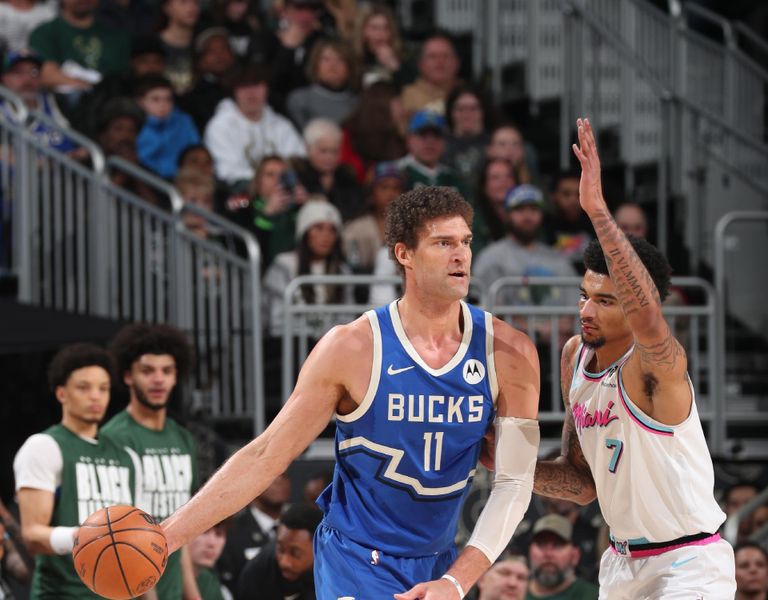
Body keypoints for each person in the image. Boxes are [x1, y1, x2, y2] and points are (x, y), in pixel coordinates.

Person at [158, 185, 542, 599]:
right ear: (404, 254)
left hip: (439, 561)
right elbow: (267, 455)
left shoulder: (510, 351)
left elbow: (514, 483)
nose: (461, 255)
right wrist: (166, 537)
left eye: (465, 242)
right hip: (354, 559)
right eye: (443, 243)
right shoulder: (352, 347)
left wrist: (457, 578)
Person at [532, 118, 735, 598]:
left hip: (689, 563)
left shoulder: (657, 367)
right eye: (585, 296)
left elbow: (647, 318)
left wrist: (598, 212)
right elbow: (581, 483)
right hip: (621, 565)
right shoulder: (573, 357)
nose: (586, 310)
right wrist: (495, 457)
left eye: (605, 301)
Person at [12, 344, 135, 599]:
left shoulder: (126, 455)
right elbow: (32, 535)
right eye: (84, 387)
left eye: (103, 388)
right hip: (62, 593)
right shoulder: (44, 446)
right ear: (61, 393)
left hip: (117, 591)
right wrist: (90, 536)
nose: (95, 396)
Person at [102, 322, 200, 600]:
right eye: (147, 371)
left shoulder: (183, 439)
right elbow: (118, 536)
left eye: (166, 371)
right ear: (128, 376)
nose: (158, 380)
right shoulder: (114, 438)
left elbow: (181, 530)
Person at [261, 198, 353, 339]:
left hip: (332, 348)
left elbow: (347, 319)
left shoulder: (342, 271)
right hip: (290, 347)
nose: (326, 236)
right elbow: (277, 322)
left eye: (332, 230)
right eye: (318, 228)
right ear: (304, 232)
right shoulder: (284, 265)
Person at [204, 64, 306, 187]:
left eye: (257, 85)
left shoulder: (281, 125)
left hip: (284, 189)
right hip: (241, 193)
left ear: (267, 89)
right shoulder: (220, 127)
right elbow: (227, 172)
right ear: (234, 91)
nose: (251, 92)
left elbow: (298, 161)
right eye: (244, 86)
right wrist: (266, 184)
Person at [28, 0, 129, 95]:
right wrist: (89, 87)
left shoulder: (115, 36)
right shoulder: (44, 33)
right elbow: (47, 76)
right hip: (62, 102)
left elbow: (119, 79)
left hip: (108, 101)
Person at [216, 472, 291, 593]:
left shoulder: (302, 526)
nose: (279, 481)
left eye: (284, 476)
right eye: (272, 476)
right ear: (252, 485)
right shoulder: (232, 532)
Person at [236, 503, 322, 600]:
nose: (284, 562)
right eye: (281, 549)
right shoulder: (256, 574)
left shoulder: (338, 568)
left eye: (295, 553)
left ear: (319, 549)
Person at [293, 118, 364, 222]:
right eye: (323, 151)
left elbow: (356, 212)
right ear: (307, 149)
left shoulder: (347, 178)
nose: (329, 157)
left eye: (334, 151)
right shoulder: (297, 178)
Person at [134, 74, 200, 179]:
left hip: (185, 179)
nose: (163, 104)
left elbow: (195, 152)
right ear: (140, 102)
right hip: (149, 180)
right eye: (155, 99)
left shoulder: (184, 122)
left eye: (168, 99)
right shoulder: (133, 127)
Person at [287, 37, 358, 131]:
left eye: (340, 59)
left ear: (349, 67)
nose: (332, 65)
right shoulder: (300, 100)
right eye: (325, 59)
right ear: (315, 65)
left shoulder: (359, 105)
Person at [526, 515, 598, 600]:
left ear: (575, 555)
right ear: (529, 551)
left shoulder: (596, 596)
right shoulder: (512, 592)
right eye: (541, 544)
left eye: (558, 545)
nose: (548, 553)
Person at [395, 110, 465, 194]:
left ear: (445, 142)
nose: (430, 142)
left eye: (437, 135)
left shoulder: (454, 178)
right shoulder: (393, 173)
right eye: (422, 134)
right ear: (409, 140)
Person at [400, 31, 460, 120]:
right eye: (432, 57)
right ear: (421, 64)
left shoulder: (469, 94)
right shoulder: (406, 96)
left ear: (456, 62)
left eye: (446, 56)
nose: (440, 62)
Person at [156, 0, 199, 95]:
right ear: (167, 8)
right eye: (184, 2)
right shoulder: (152, 44)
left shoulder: (204, 44)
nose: (192, 7)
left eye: (195, 2)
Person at [188, 519, 234, 600]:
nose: (212, 543)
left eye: (219, 534)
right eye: (204, 532)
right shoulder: (167, 579)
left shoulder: (211, 582)